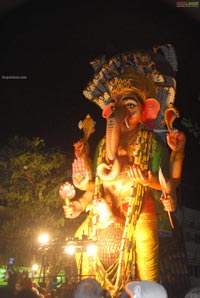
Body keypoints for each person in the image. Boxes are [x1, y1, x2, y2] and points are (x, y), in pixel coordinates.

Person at [60, 45, 187, 297]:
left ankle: (148, 290)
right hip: (106, 206)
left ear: (146, 111)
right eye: (116, 104)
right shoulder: (101, 146)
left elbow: (168, 184)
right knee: (81, 235)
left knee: (145, 241)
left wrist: (149, 179)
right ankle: (90, 288)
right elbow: (97, 186)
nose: (121, 111)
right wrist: (79, 202)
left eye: (129, 105)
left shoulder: (150, 142)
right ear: (109, 111)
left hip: (139, 208)